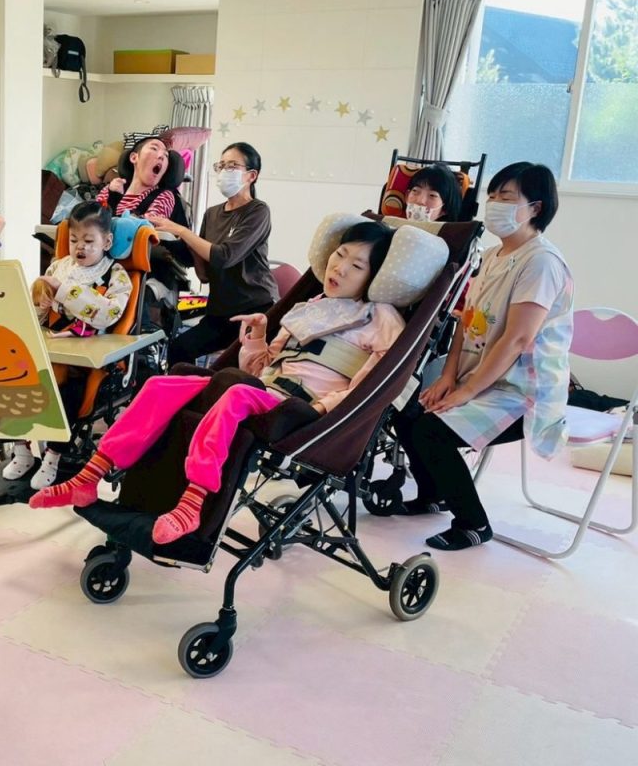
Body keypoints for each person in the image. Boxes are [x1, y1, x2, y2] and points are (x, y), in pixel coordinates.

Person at [31, 221, 403, 544]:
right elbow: (260, 369)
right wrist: (257, 338)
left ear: (375, 276)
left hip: (305, 410)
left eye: (357, 265)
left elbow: (373, 387)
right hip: (264, 391)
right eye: (339, 255)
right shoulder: (308, 307)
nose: (340, 267)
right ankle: (90, 475)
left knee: (235, 393)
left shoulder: (382, 319)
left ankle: (192, 505)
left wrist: (326, 409)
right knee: (165, 383)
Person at [382, 162, 573, 551]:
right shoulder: (492, 256)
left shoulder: (542, 262)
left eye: (507, 197)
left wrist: (466, 391)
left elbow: (517, 339)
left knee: (431, 431)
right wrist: (448, 377)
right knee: (406, 410)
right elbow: (466, 323)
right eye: (493, 195)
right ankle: (433, 495)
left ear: (535, 208)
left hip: (522, 392)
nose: (495, 203)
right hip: (481, 377)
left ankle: (473, 524)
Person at [4, 200, 133, 490]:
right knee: (11, 379)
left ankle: (53, 456)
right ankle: (21, 449)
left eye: (89, 241)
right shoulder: (59, 266)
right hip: (53, 345)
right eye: (74, 240)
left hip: (88, 355)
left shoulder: (115, 275)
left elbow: (108, 314)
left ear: (107, 241)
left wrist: (63, 291)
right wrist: (39, 304)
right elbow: (37, 314)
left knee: (69, 393)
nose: (80, 248)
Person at [147, 142, 277, 366]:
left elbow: (224, 256)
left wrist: (182, 231)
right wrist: (179, 239)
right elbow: (205, 275)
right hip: (220, 311)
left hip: (254, 310)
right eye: (222, 165)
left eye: (232, 166)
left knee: (231, 367)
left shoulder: (258, 211)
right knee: (179, 349)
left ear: (251, 175)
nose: (225, 171)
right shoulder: (212, 214)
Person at [98, 136, 177, 220]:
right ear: (134, 157)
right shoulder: (110, 189)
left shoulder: (164, 196)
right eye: (154, 148)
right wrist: (112, 198)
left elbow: (147, 226)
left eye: (166, 155)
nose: (162, 156)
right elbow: (93, 220)